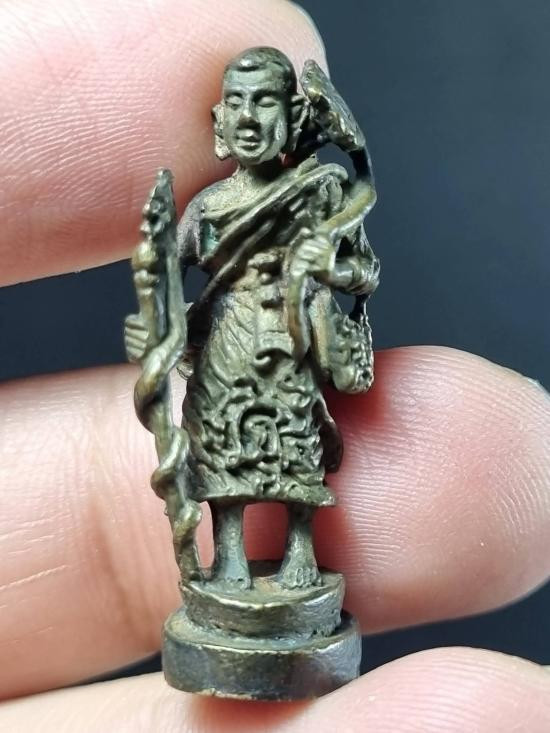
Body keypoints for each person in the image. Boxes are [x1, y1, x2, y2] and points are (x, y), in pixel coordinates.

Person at [0, 0, 549, 730]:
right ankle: (226, 556)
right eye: (237, 103)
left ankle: (297, 553)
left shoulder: (320, 196)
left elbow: (363, 271)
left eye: (265, 103)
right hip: (226, 338)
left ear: (292, 119)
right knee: (224, 447)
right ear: (218, 123)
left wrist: (331, 265)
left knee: (293, 446)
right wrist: (158, 327)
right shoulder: (209, 207)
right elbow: (170, 278)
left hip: (292, 338)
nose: (250, 117)